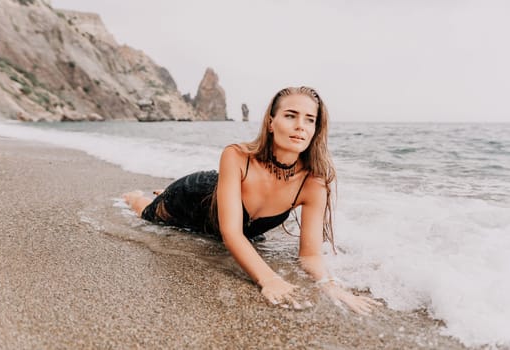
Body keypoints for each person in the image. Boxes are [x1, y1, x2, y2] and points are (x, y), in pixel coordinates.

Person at [123, 86, 380, 313]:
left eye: (309, 120)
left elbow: (310, 254)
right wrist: (269, 279)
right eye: (291, 115)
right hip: (192, 199)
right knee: (145, 211)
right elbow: (232, 233)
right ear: (271, 122)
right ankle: (145, 196)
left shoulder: (313, 184)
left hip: (224, 216)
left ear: (315, 129)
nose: (300, 125)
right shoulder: (237, 156)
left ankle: (159, 193)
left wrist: (329, 285)